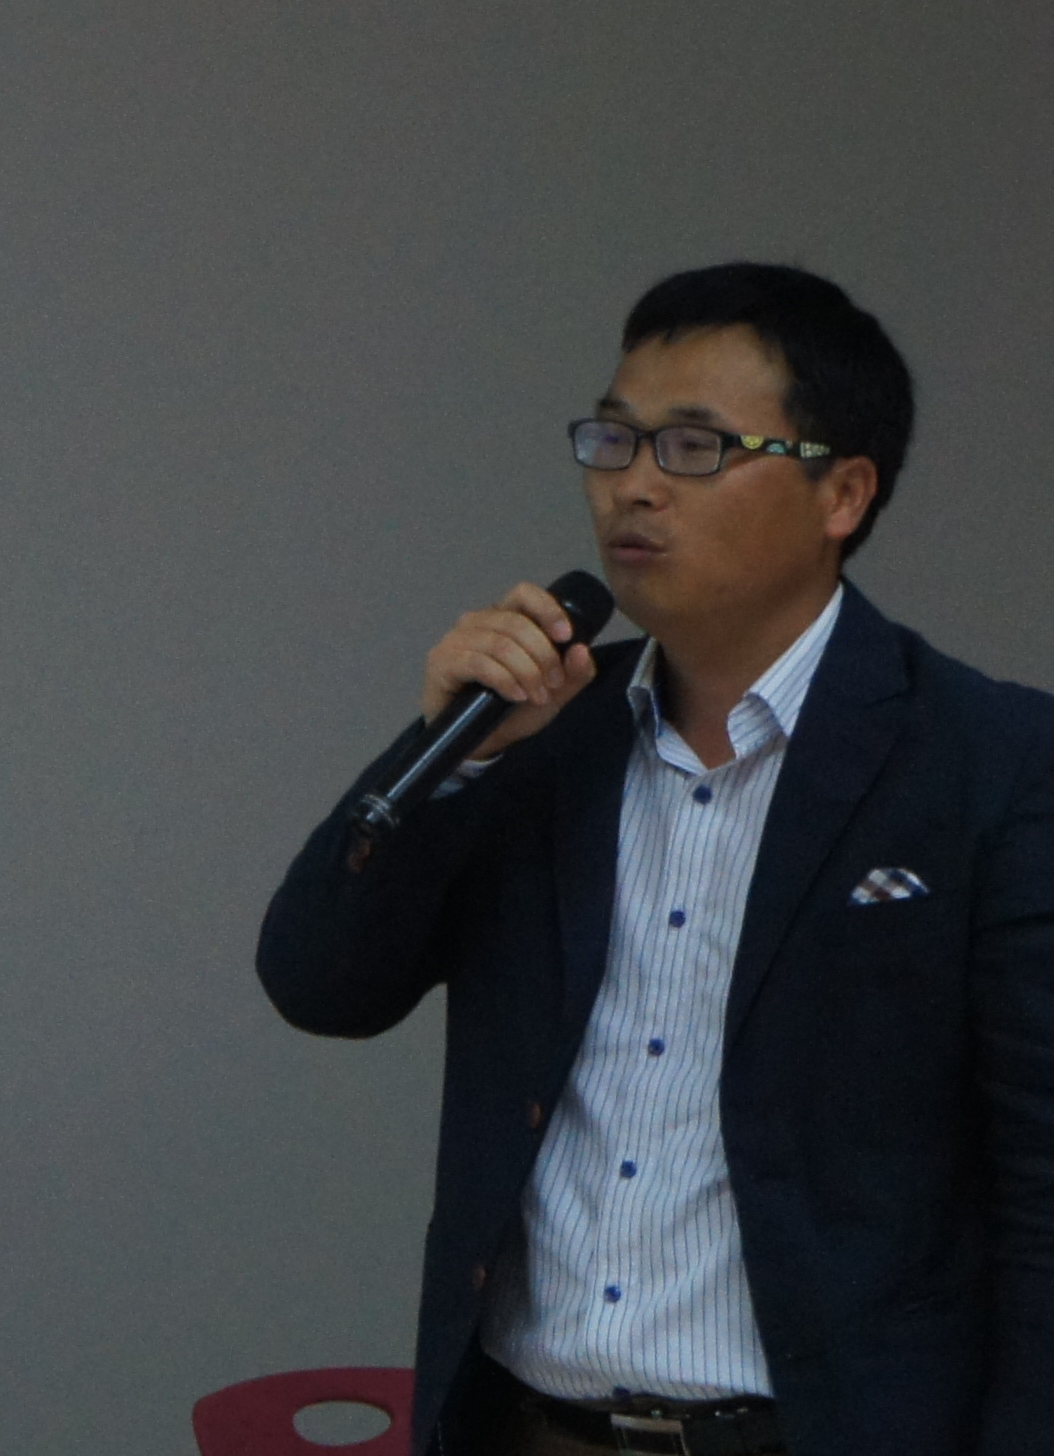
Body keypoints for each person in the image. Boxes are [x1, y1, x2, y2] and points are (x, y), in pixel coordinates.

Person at [257, 263, 1052, 1456]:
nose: (633, 484)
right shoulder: (537, 740)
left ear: (841, 492)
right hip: (524, 1427)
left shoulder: (989, 761)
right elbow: (319, 983)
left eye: (693, 447)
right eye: (613, 439)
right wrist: (448, 757)